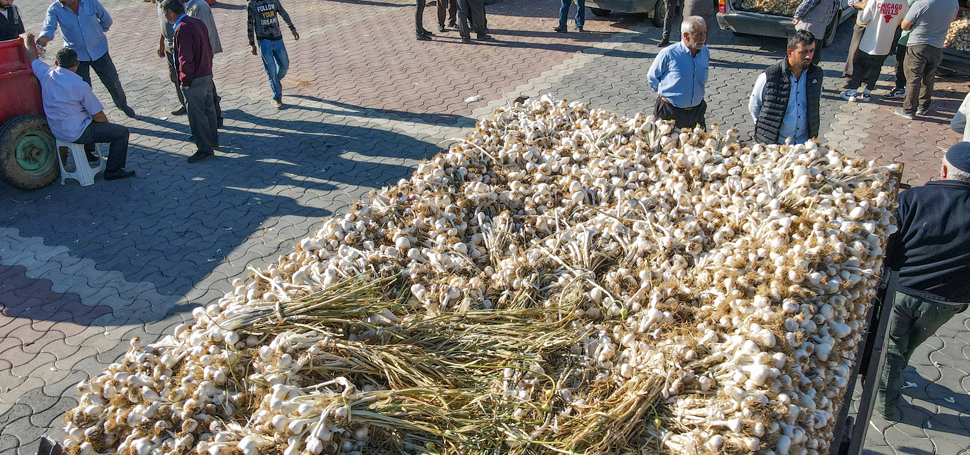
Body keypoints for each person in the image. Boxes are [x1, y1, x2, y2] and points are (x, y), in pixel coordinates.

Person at [878, 142, 970, 420]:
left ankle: (885, 404)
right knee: (908, 345)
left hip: (902, 290)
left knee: (890, 349)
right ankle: (892, 378)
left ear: (944, 170)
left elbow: (888, 246)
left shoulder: (912, 199)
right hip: (948, 301)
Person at [23, 34, 134, 181]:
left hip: (56, 130)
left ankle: (88, 153)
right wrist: (106, 130)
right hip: (76, 132)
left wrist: (26, 38)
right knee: (120, 133)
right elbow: (98, 116)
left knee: (88, 121)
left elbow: (32, 58)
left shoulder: (46, 74)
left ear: (57, 63)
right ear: (77, 64)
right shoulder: (80, 86)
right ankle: (113, 170)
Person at [37, 0, 135, 118]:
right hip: (77, 55)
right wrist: (44, 38)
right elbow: (48, 27)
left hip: (99, 50)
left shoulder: (91, 2)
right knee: (83, 87)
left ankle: (122, 104)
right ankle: (89, 115)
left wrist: (97, 32)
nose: (61, 1)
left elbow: (106, 20)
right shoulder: (55, 9)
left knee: (112, 80)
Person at [163, 0, 217, 163]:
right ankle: (213, 140)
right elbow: (208, 46)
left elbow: (184, 58)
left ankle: (204, 148)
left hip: (194, 78)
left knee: (196, 115)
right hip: (206, 73)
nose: (165, 17)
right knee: (209, 110)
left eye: (165, 13)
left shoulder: (182, 28)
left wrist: (184, 80)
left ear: (170, 12)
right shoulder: (196, 22)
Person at [748, 30, 822, 145]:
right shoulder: (769, 76)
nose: (809, 56)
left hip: (803, 145)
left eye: (812, 51)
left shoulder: (816, 75)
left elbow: (814, 103)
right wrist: (765, 130)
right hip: (775, 146)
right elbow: (754, 105)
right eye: (803, 52)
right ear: (790, 52)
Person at [893, 0, 959, 120]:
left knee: (913, 78)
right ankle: (923, 107)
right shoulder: (953, 3)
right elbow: (952, 19)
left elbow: (905, 26)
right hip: (937, 47)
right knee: (928, 78)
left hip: (918, 45)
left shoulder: (922, 3)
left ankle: (909, 110)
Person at [647, 16, 709, 130]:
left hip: (696, 112)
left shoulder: (705, 52)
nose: (704, 37)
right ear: (686, 35)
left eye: (705, 32)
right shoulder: (669, 53)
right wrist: (665, 95)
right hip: (670, 112)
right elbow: (652, 77)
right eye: (699, 34)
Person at [840, 0, 909, 102]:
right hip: (886, 42)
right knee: (876, 66)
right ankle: (867, 93)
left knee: (859, 64)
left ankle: (853, 92)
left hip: (868, 40)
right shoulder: (903, 2)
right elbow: (905, 21)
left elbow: (864, 18)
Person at [247, 0, 299, 109]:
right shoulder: (252, 3)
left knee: (284, 65)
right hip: (263, 40)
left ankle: (276, 80)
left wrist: (292, 28)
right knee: (270, 69)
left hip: (278, 38)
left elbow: (283, 13)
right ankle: (277, 97)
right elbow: (250, 23)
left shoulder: (274, 1)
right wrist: (252, 43)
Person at [183, 0, 223, 126]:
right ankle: (215, 120)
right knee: (208, 85)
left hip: (203, 53)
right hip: (201, 53)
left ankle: (215, 120)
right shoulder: (190, 6)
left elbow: (204, 33)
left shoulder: (199, 6)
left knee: (208, 87)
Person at [157, 0, 186, 116]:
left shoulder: (173, 4)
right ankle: (184, 103)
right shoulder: (160, 5)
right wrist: (161, 43)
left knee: (183, 76)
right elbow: (163, 23)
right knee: (174, 77)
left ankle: (191, 103)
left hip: (178, 47)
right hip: (169, 47)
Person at [792, 0, 838, 64]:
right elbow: (806, 4)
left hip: (813, 31)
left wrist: (797, 16)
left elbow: (807, 4)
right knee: (808, 55)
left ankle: (807, 70)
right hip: (813, 30)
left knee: (810, 55)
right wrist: (798, 16)